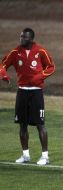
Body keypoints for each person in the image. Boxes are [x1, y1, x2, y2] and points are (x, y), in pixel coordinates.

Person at [0, 28, 55, 165]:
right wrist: (3, 74)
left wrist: (39, 77)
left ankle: (45, 156)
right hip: (22, 91)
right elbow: (3, 64)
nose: (21, 39)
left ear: (31, 39)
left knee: (40, 124)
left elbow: (51, 67)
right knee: (22, 125)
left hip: (36, 92)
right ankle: (25, 155)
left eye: (24, 37)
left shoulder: (41, 51)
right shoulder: (15, 52)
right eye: (20, 36)